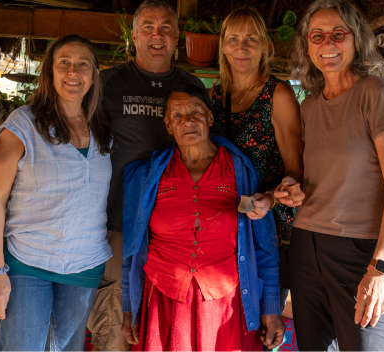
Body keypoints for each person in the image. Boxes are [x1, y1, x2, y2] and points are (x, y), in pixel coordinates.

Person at [0, 0, 205, 350]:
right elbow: (39, 126)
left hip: (162, 232)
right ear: (133, 36)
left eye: (166, 28)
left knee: (154, 330)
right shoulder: (107, 85)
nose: (157, 35)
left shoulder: (187, 89)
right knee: (107, 333)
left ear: (177, 37)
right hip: (100, 233)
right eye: (147, 27)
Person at [276, 0, 384, 351]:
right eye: (317, 36)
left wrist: (380, 269)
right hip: (306, 246)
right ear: (307, 46)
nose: (328, 43)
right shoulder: (309, 106)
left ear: (356, 40)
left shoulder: (380, 95)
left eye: (339, 33)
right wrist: (293, 188)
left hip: (362, 252)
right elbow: (315, 180)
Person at [121, 85, 285, 351]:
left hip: (226, 302)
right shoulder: (148, 175)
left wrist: (270, 307)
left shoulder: (239, 170)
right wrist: (130, 307)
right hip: (163, 299)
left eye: (195, 111)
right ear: (168, 126)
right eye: (177, 115)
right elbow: (132, 249)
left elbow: (263, 245)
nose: (187, 121)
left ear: (210, 118)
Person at [0, 35, 114, 351]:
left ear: (94, 75)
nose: (73, 71)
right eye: (64, 63)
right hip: (29, 261)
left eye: (83, 64)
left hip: (84, 266)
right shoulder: (23, 124)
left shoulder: (103, 127)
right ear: (50, 73)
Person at [209, 6, 304, 315]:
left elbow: (296, 171)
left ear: (265, 45)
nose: (242, 46)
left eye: (251, 38)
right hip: (225, 227)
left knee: (263, 323)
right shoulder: (214, 95)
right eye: (234, 39)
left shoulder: (278, 94)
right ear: (223, 46)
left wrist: (275, 197)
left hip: (269, 230)